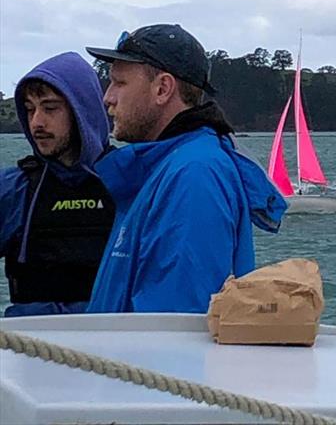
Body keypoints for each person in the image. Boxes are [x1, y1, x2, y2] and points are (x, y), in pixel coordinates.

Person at [85, 23, 287, 313]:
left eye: (119, 83)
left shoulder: (194, 176)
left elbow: (176, 327)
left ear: (163, 89)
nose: (108, 97)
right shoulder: (169, 168)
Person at [0, 53, 115, 317]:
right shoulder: (14, 188)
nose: (36, 122)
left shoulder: (130, 182)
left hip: (112, 346)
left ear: (81, 111)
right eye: (30, 109)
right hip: (30, 349)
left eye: (50, 108)